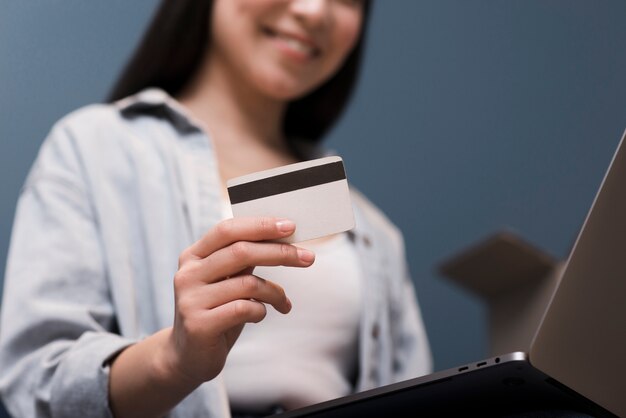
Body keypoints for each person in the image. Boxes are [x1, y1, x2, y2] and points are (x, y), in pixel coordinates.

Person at [0, 1, 432, 417]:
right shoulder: (94, 149)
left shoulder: (378, 236)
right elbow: (33, 385)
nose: (314, 9)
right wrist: (172, 361)